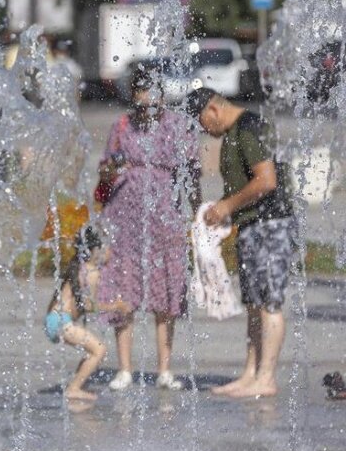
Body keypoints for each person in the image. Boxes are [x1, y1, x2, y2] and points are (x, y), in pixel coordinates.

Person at [185, 86, 297, 398]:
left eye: (202, 124)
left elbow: (266, 180)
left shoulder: (249, 127)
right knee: (254, 304)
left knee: (270, 302)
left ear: (213, 110)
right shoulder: (234, 132)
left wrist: (226, 206)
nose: (205, 132)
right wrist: (218, 210)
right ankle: (250, 374)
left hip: (271, 224)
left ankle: (267, 377)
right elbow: (243, 185)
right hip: (251, 226)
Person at [96, 65, 200, 391]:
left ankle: (164, 369)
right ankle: (125, 368)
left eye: (153, 95)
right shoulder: (122, 124)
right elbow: (105, 168)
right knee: (122, 288)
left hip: (164, 216)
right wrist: (110, 170)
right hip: (125, 216)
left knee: (165, 290)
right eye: (141, 95)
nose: (147, 103)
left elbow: (193, 171)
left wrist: (198, 212)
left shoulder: (177, 125)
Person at [44, 226, 132, 401]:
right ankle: (74, 388)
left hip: (54, 320)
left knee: (91, 350)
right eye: (106, 248)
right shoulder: (91, 272)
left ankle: (76, 385)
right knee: (99, 350)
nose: (110, 252)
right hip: (62, 322)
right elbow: (89, 306)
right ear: (94, 251)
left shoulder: (79, 267)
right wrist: (116, 306)